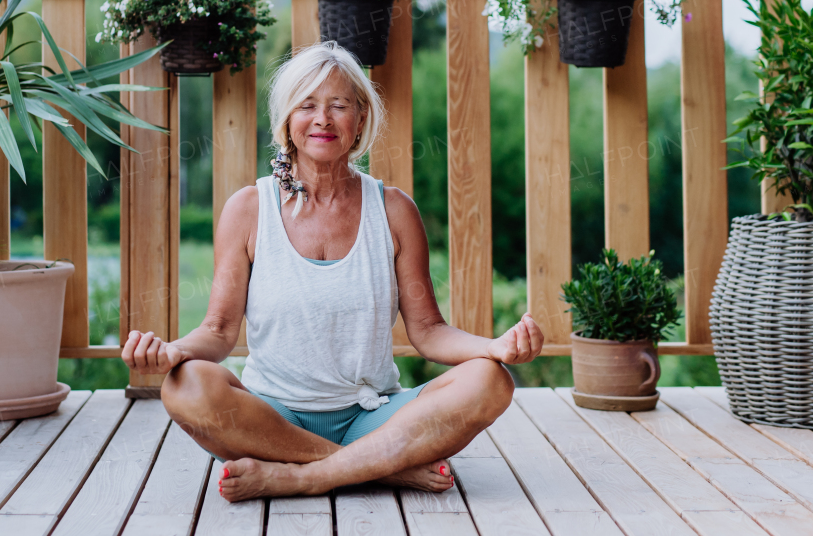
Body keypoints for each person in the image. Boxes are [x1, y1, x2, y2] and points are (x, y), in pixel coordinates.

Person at [122, 41, 544, 502]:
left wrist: (495, 347)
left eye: (338, 105)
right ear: (287, 119)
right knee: (185, 388)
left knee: (489, 381)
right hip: (272, 418)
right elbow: (219, 331)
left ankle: (304, 475)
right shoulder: (248, 209)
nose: (322, 119)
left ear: (360, 119)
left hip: (373, 414)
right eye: (307, 105)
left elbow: (429, 331)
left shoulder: (395, 210)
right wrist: (171, 352)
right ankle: (380, 468)